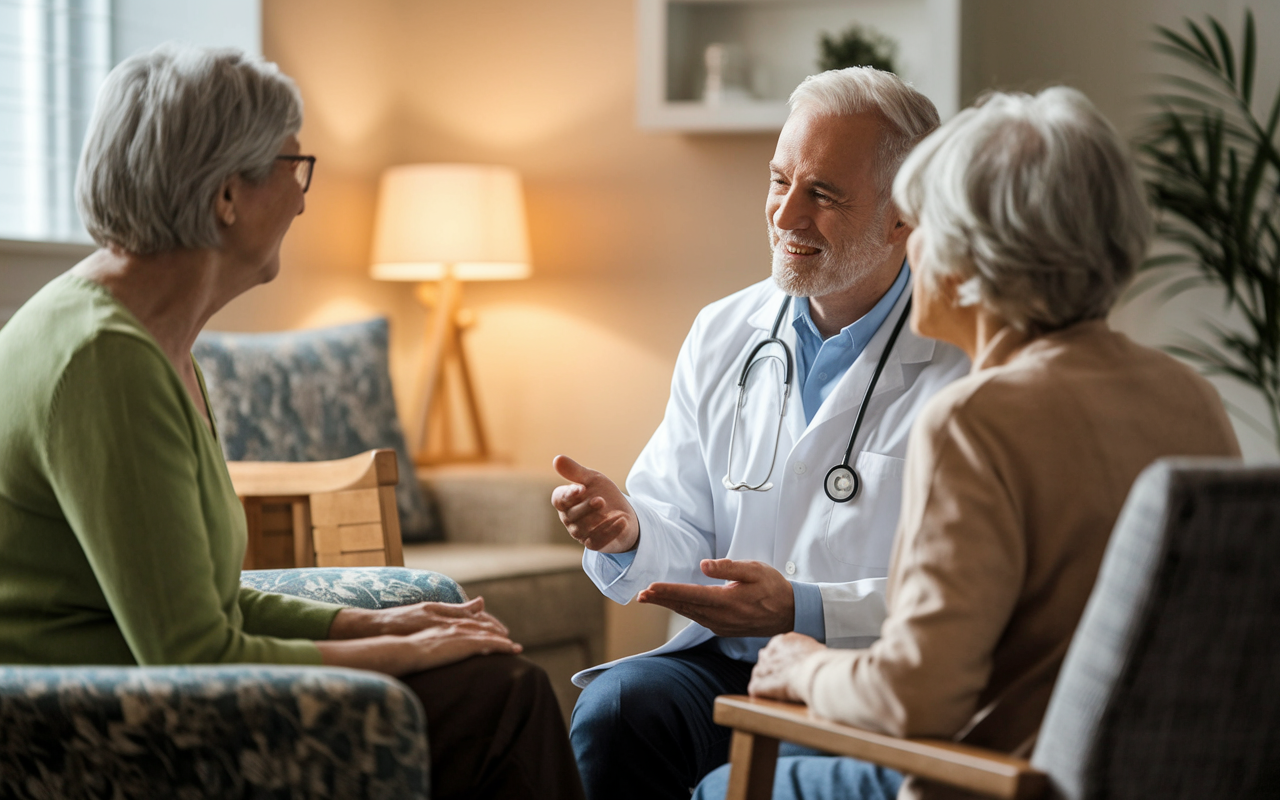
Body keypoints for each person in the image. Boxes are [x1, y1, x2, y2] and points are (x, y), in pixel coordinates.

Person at [0, 45, 583, 800]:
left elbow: (209, 600)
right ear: (225, 197)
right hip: (97, 722)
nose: (304, 198)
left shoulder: (147, 336)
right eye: (292, 165)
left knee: (483, 673)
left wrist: (380, 627)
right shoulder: (105, 363)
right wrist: (401, 657)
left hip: (147, 677)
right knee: (502, 696)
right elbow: (194, 653)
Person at [693, 87, 1242, 800]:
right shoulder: (1187, 394)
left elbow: (914, 699)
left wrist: (800, 667)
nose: (910, 244)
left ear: (974, 254)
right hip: (1163, 782)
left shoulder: (976, 419)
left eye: (922, 224)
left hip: (1002, 782)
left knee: (715, 787)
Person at [552, 68, 971, 800]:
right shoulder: (722, 331)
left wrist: (802, 608)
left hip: (867, 675)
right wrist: (628, 532)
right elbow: (682, 531)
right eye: (779, 182)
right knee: (621, 709)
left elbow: (962, 595)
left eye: (823, 195)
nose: (786, 215)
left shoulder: (964, 358)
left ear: (905, 216)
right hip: (728, 663)